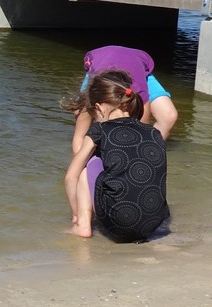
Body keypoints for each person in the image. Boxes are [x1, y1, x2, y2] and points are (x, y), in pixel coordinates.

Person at [62, 70, 171, 242]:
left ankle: (81, 225)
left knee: (86, 166)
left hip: (119, 224)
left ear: (99, 108)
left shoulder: (100, 130)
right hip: (153, 225)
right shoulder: (153, 132)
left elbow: (70, 177)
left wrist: (75, 213)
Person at [78, 45, 177, 140]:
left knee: (168, 116)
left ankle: (152, 147)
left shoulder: (139, 90)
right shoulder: (96, 88)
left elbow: (142, 126)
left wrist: (141, 144)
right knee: (81, 113)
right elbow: (78, 137)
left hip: (137, 65)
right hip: (101, 62)